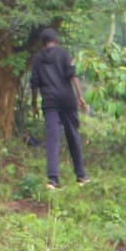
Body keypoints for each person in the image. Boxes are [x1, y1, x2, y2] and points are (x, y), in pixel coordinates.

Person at [30, 27, 89, 189]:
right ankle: (81, 176)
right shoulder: (63, 53)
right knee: (73, 135)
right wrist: (80, 97)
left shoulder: (37, 58)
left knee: (52, 139)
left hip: (49, 102)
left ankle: (53, 179)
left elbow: (34, 83)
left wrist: (34, 104)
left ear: (42, 43)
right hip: (67, 99)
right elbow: (72, 75)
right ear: (55, 40)